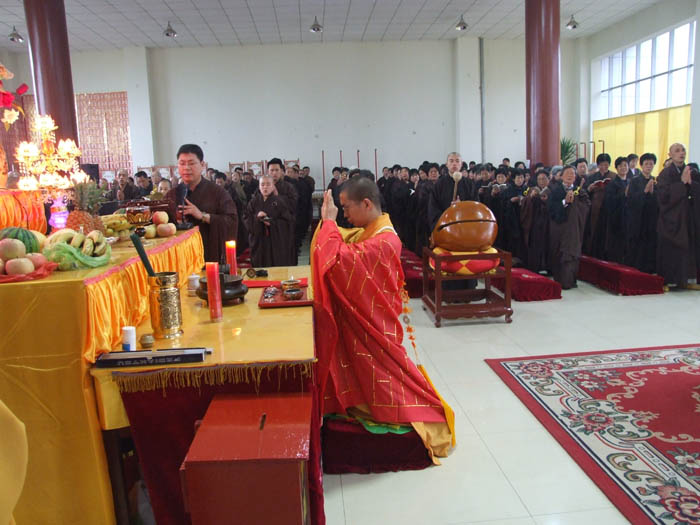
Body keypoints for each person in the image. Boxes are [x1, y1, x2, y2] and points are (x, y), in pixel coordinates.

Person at [311, 176, 454, 462]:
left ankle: (409, 409)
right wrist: (329, 225)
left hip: (375, 327)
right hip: (367, 318)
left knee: (387, 377)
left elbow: (337, 260)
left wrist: (328, 223)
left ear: (366, 203)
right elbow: (343, 242)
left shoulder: (385, 240)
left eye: (346, 207)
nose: (344, 214)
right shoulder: (372, 229)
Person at [165, 144, 237, 263]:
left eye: (191, 163)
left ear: (202, 165)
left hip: (208, 255)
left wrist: (203, 216)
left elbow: (231, 221)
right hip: (180, 257)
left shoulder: (218, 192)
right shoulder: (171, 195)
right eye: (182, 163)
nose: (186, 168)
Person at [656, 143, 700, 289]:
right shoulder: (665, 174)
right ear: (670, 155)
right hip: (671, 220)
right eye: (677, 151)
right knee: (671, 250)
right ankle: (668, 280)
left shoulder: (692, 171)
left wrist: (692, 184)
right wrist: (681, 184)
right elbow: (663, 196)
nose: (681, 153)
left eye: (683, 150)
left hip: (687, 218)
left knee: (688, 248)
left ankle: (687, 280)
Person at [548, 165, 590, 289]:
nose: (570, 176)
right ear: (561, 176)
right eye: (567, 173)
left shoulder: (579, 191)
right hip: (560, 228)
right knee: (561, 253)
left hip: (574, 228)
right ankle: (561, 280)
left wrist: (576, 203)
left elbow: (587, 205)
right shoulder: (555, 191)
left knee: (573, 253)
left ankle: (571, 280)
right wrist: (564, 202)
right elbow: (551, 209)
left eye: (572, 174)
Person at [244, 174, 295, 267]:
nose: (265, 187)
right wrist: (257, 218)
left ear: (273, 186)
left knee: (274, 263)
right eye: (262, 184)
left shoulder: (279, 202)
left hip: (274, 241)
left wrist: (271, 222)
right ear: (259, 186)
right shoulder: (254, 201)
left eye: (268, 184)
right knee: (258, 265)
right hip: (258, 240)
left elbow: (288, 222)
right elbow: (246, 217)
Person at [625, 153, 658, 273]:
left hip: (651, 219)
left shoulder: (655, 181)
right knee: (637, 246)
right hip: (638, 219)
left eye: (651, 164)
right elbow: (631, 200)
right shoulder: (635, 181)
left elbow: (658, 202)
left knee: (650, 245)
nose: (649, 166)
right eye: (646, 164)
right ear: (641, 165)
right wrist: (645, 191)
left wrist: (653, 193)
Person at [602, 156, 630, 263]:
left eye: (625, 165)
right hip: (616, 219)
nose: (623, 168)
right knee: (616, 247)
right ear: (616, 168)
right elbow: (609, 202)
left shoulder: (630, 182)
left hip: (628, 218)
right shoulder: (612, 184)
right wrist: (623, 195)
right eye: (620, 166)